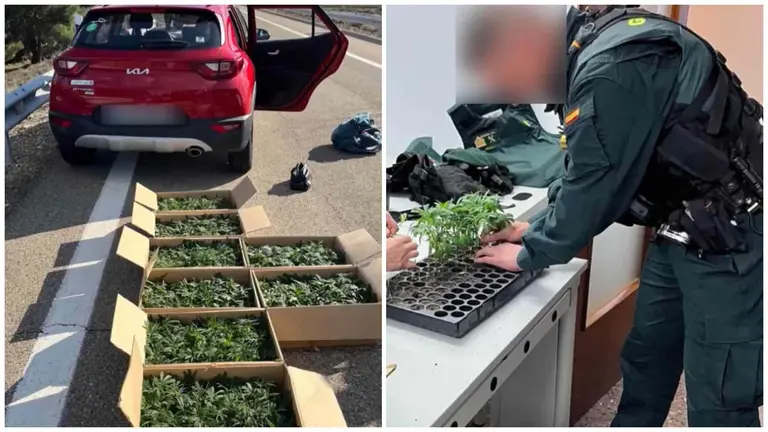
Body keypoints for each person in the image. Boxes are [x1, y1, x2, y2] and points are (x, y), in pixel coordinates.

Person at [467, 5, 763, 427]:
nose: (520, 97)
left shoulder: (609, 70)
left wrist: (529, 252)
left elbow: (593, 186)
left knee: (719, 392)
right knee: (647, 356)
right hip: (680, 225)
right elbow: (590, 163)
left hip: (729, 237)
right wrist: (532, 224)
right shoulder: (590, 46)